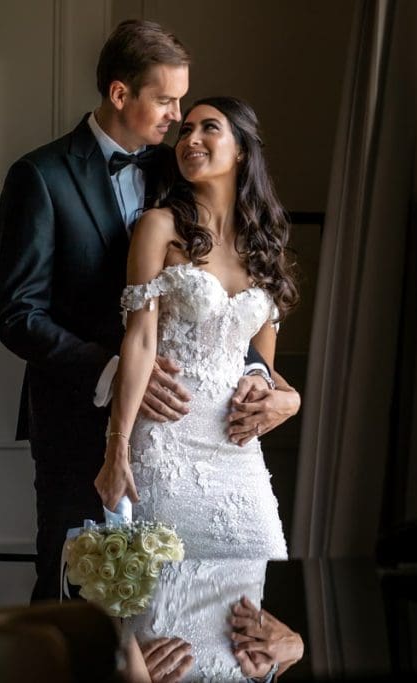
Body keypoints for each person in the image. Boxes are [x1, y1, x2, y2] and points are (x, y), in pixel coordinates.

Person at [0, 20, 298, 603]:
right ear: (119, 95)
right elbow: (18, 314)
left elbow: (231, 306)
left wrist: (268, 382)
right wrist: (112, 370)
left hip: (195, 431)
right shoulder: (41, 177)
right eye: (165, 101)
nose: (178, 118)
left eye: (184, 103)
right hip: (80, 421)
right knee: (75, 599)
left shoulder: (182, 167)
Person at [94, 96, 296, 560]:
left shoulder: (265, 243)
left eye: (209, 128)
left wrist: (282, 394)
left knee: (252, 602)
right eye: (185, 130)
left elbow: (260, 363)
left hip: (237, 453)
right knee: (165, 609)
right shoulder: (159, 227)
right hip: (166, 447)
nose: (190, 139)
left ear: (242, 149)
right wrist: (117, 448)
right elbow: (140, 338)